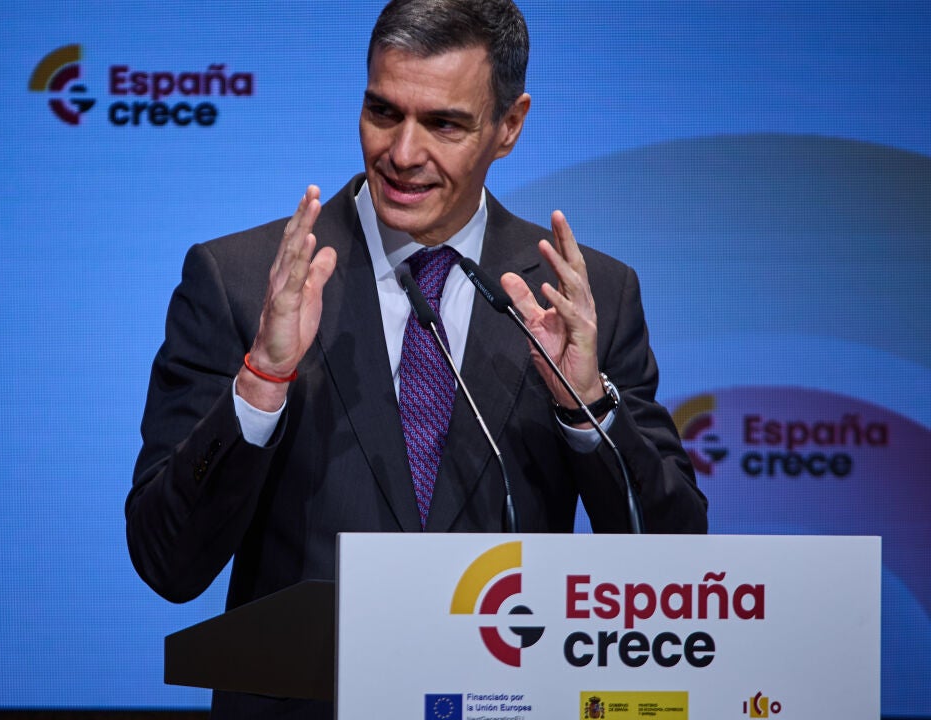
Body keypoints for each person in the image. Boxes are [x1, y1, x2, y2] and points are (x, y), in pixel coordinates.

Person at [127, 1, 707, 716]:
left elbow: (675, 562)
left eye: (444, 124)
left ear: (509, 126)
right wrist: (262, 382)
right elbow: (167, 563)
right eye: (383, 112)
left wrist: (585, 409)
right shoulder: (244, 282)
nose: (402, 154)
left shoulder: (583, 298)